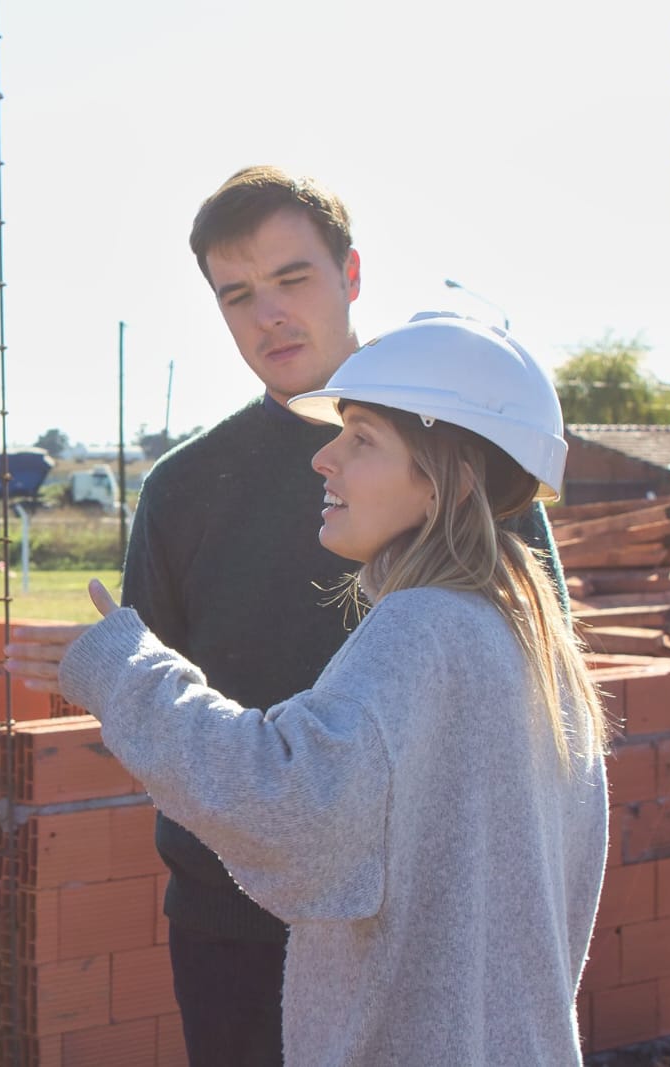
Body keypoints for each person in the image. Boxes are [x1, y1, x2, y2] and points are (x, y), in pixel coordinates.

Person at [8, 313, 608, 1065]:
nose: (324, 458)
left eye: (361, 438)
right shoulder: (524, 638)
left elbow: (290, 808)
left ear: (446, 476)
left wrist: (124, 670)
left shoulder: (424, 629)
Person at [106, 165, 565, 1066]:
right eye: (236, 294)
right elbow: (152, 723)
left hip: (423, 933)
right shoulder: (183, 491)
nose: (267, 313)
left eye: (292, 278)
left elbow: (533, 703)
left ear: (352, 275)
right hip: (232, 928)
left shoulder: (470, 456)